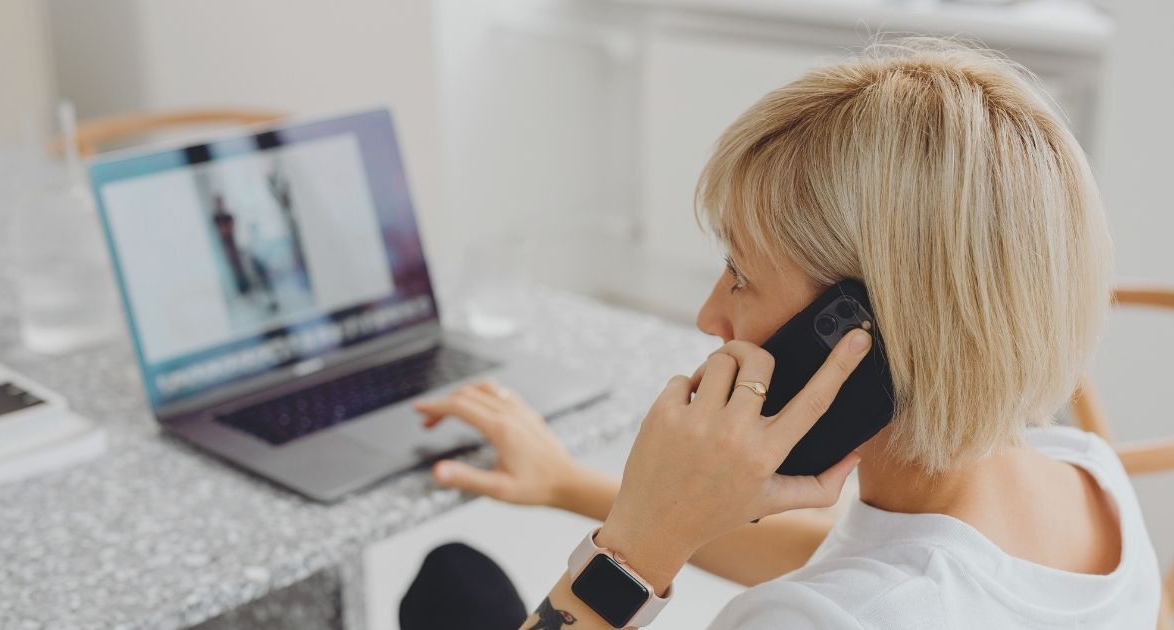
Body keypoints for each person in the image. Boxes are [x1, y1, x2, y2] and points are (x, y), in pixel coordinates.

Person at [403, 38, 1161, 629]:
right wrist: (576, 486)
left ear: (860, 333)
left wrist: (629, 552)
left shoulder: (816, 620)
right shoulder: (1085, 474)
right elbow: (850, 558)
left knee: (450, 585)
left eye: (739, 271)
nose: (710, 314)